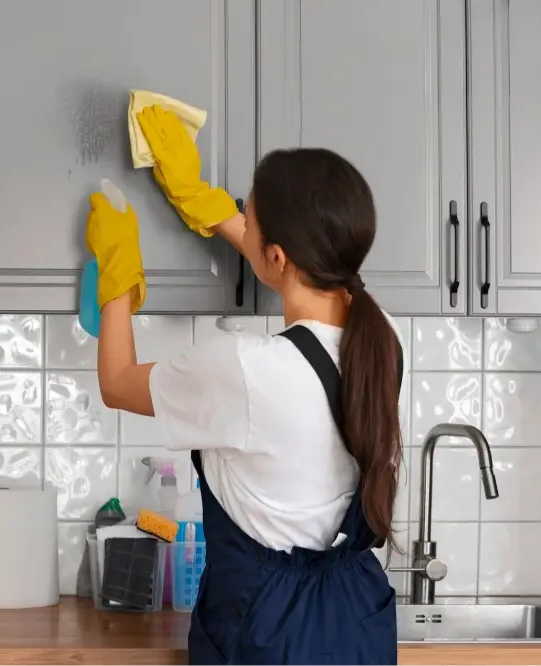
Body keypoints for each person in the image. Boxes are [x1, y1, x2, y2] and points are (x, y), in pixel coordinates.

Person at [85, 106, 404, 665]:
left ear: (277, 256)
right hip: (356, 617)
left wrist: (117, 270)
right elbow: (304, 268)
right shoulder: (383, 339)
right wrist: (198, 199)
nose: (241, 220)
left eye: (247, 217)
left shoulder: (245, 370)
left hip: (268, 629)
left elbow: (115, 384)